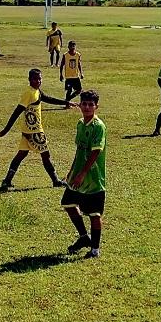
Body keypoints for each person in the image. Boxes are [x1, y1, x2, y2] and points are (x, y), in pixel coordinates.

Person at [0, 68, 76, 189]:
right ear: (29, 80)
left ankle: (7, 180)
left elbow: (48, 98)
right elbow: (17, 112)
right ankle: (56, 181)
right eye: (35, 79)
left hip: (28, 130)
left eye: (40, 78)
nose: (38, 81)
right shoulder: (29, 93)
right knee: (46, 155)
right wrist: (6, 129)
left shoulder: (36, 91)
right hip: (34, 130)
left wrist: (66, 102)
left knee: (21, 155)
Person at [61, 90, 106, 258]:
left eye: (90, 105)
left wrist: (83, 174)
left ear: (96, 107)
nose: (86, 107)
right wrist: (73, 171)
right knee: (68, 204)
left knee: (94, 213)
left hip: (93, 178)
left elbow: (95, 153)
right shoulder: (80, 124)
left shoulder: (98, 126)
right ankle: (83, 237)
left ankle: (95, 249)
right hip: (78, 174)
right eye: (84, 104)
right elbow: (79, 150)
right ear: (80, 105)